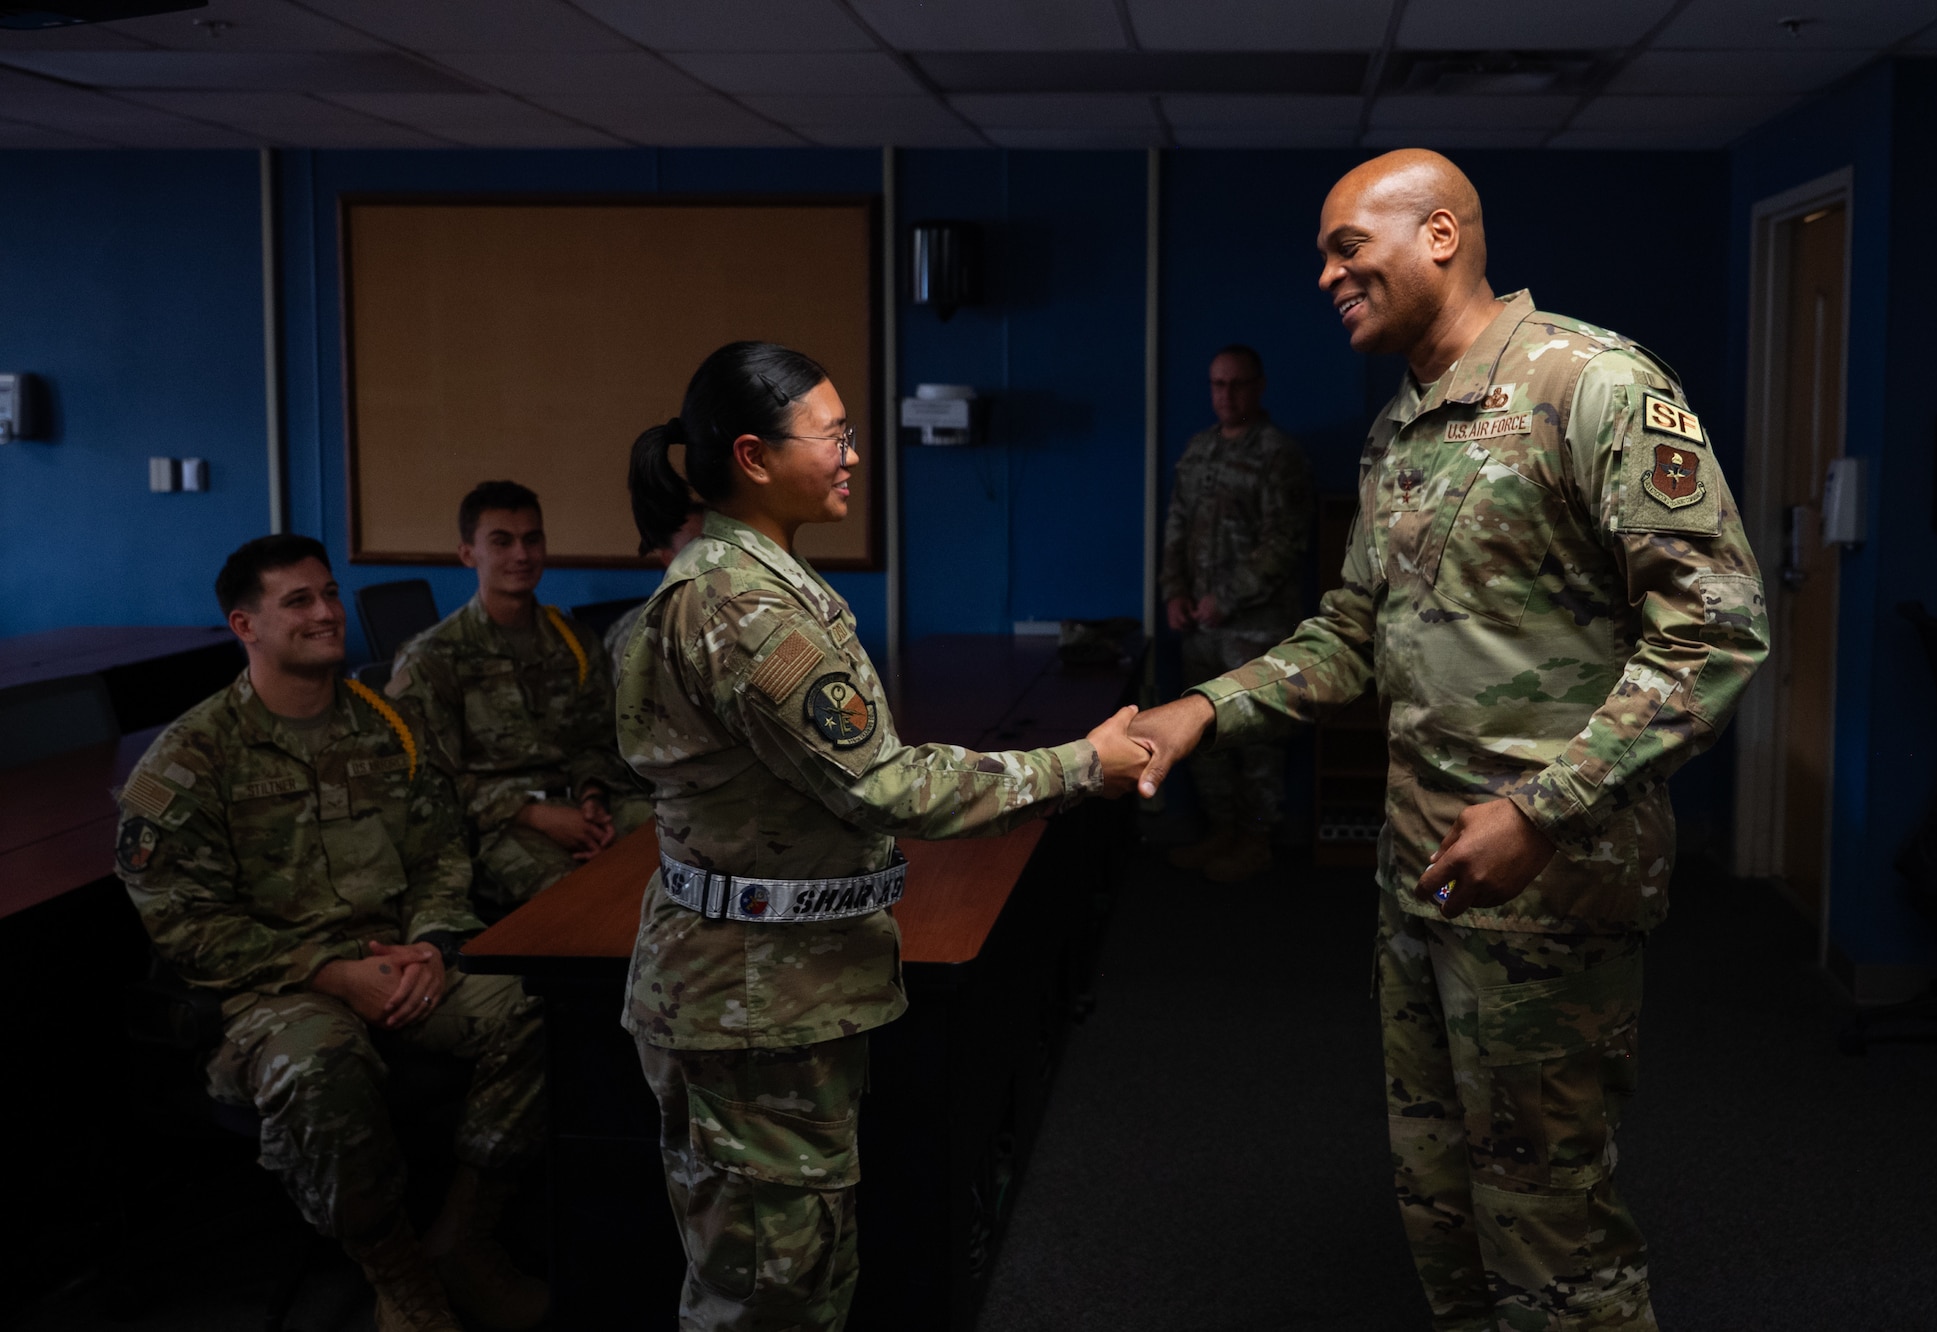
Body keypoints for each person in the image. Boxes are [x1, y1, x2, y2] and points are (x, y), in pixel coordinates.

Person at [1129, 150, 1769, 1332]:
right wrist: (1206, 706)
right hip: (1417, 878)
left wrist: (1541, 807)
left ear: (1437, 235)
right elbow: (1353, 633)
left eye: (1343, 246)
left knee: (1549, 1221)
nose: (1324, 274)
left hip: (1551, 884)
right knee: (1441, 1201)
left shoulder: (1591, 386)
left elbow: (1715, 636)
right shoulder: (1399, 432)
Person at [615, 342, 1155, 1331]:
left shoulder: (751, 581)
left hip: (776, 984)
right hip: (748, 999)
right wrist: (1083, 764)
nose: (854, 456)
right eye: (835, 436)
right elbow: (889, 785)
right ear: (752, 455)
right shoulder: (740, 608)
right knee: (766, 1295)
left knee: (796, 1270)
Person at [115, 534, 549, 1332]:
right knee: (321, 1069)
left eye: (329, 594)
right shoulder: (190, 760)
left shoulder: (387, 728)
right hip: (274, 992)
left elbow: (441, 856)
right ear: (245, 625)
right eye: (299, 602)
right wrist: (328, 972)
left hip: (402, 961)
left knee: (533, 1006)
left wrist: (433, 945)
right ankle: (403, 1280)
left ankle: (465, 1236)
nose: (326, 613)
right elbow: (184, 923)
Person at [388, 481, 651, 913]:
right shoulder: (432, 657)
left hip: (582, 806)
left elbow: (595, 741)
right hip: (496, 825)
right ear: (467, 553)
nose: (521, 555)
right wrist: (532, 814)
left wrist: (592, 799)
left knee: (677, 844)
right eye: (501, 541)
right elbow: (428, 780)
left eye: (532, 539)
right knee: (582, 900)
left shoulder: (574, 643)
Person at [1158, 343, 1313, 881]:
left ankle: (1256, 843)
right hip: (1201, 628)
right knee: (1203, 738)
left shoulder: (1277, 452)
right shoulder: (1198, 450)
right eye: (1218, 385)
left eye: (1237, 384)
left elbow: (1284, 542)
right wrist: (1173, 593)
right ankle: (1221, 833)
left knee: (1257, 741)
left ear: (1259, 386)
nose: (1227, 395)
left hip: (1255, 629)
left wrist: (1226, 598)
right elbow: (1175, 529)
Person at [604, 494, 705, 679]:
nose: (711, 555)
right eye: (696, 546)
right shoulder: (638, 630)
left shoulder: (732, 616)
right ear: (669, 558)